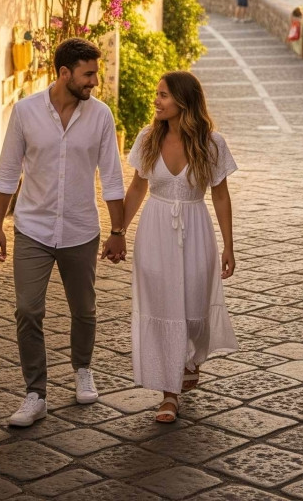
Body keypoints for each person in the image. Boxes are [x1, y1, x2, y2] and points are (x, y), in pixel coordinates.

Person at [0, 37, 126, 428]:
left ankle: (83, 369)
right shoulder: (25, 112)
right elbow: (7, 172)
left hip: (81, 230)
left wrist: (117, 230)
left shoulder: (100, 116)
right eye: (87, 75)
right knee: (28, 310)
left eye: (95, 74)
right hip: (32, 228)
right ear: (64, 73)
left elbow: (113, 177)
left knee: (84, 309)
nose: (93, 83)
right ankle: (35, 393)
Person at [118, 70, 238, 423]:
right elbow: (137, 188)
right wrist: (118, 231)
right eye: (157, 94)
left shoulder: (212, 143)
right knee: (162, 306)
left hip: (196, 229)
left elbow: (220, 195)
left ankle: (189, 358)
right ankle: (169, 394)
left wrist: (229, 246)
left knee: (193, 305)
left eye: (164, 95)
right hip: (154, 232)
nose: (156, 100)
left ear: (184, 101)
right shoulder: (146, 139)